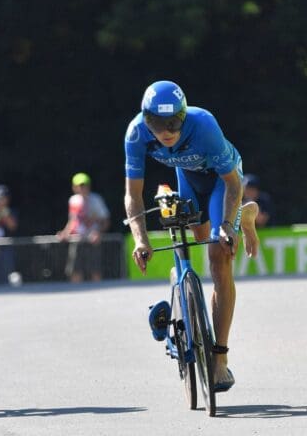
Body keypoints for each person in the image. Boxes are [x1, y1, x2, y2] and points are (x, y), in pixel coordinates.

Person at [124, 80, 260, 393]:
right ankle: (180, 298)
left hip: (222, 184)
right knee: (193, 235)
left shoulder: (204, 125)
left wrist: (227, 224)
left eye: (173, 123)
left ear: (184, 117)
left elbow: (234, 184)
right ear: (146, 121)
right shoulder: (136, 133)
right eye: (157, 124)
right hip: (187, 179)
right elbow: (133, 195)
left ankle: (220, 359)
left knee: (218, 257)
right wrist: (140, 240)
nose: (166, 131)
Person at [57, 172, 110, 282]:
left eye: (84, 185)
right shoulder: (73, 200)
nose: (82, 188)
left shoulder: (96, 199)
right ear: (74, 187)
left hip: (92, 240)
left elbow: (105, 221)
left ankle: (98, 293)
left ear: (89, 186)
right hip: (77, 239)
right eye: (79, 186)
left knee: (95, 269)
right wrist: (65, 233)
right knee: (74, 269)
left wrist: (98, 233)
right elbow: (73, 220)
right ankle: (76, 294)